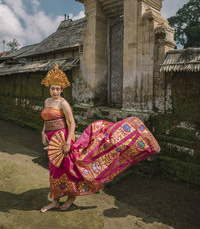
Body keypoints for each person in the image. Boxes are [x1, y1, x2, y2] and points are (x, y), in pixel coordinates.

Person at [40, 63, 160, 213]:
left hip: (63, 139)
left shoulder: (63, 103)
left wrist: (67, 143)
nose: (55, 91)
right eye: (52, 88)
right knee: (54, 170)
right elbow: (46, 119)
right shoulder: (47, 102)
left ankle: (71, 197)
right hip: (51, 140)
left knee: (67, 169)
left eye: (58, 89)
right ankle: (55, 201)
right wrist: (43, 132)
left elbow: (71, 123)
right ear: (49, 88)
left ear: (62, 89)